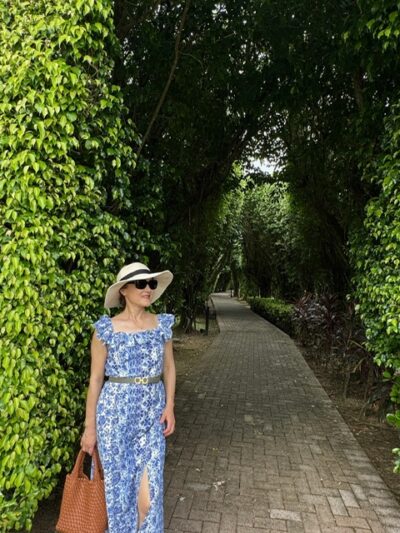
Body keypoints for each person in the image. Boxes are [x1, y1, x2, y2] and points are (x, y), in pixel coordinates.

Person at [80, 261, 176, 533]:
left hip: (152, 418)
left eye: (152, 284)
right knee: (119, 496)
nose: (148, 289)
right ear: (123, 290)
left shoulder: (161, 325)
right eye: (142, 284)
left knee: (150, 499)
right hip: (114, 419)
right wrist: (90, 428)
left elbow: (169, 367)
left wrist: (170, 405)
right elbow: (96, 379)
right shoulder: (105, 330)